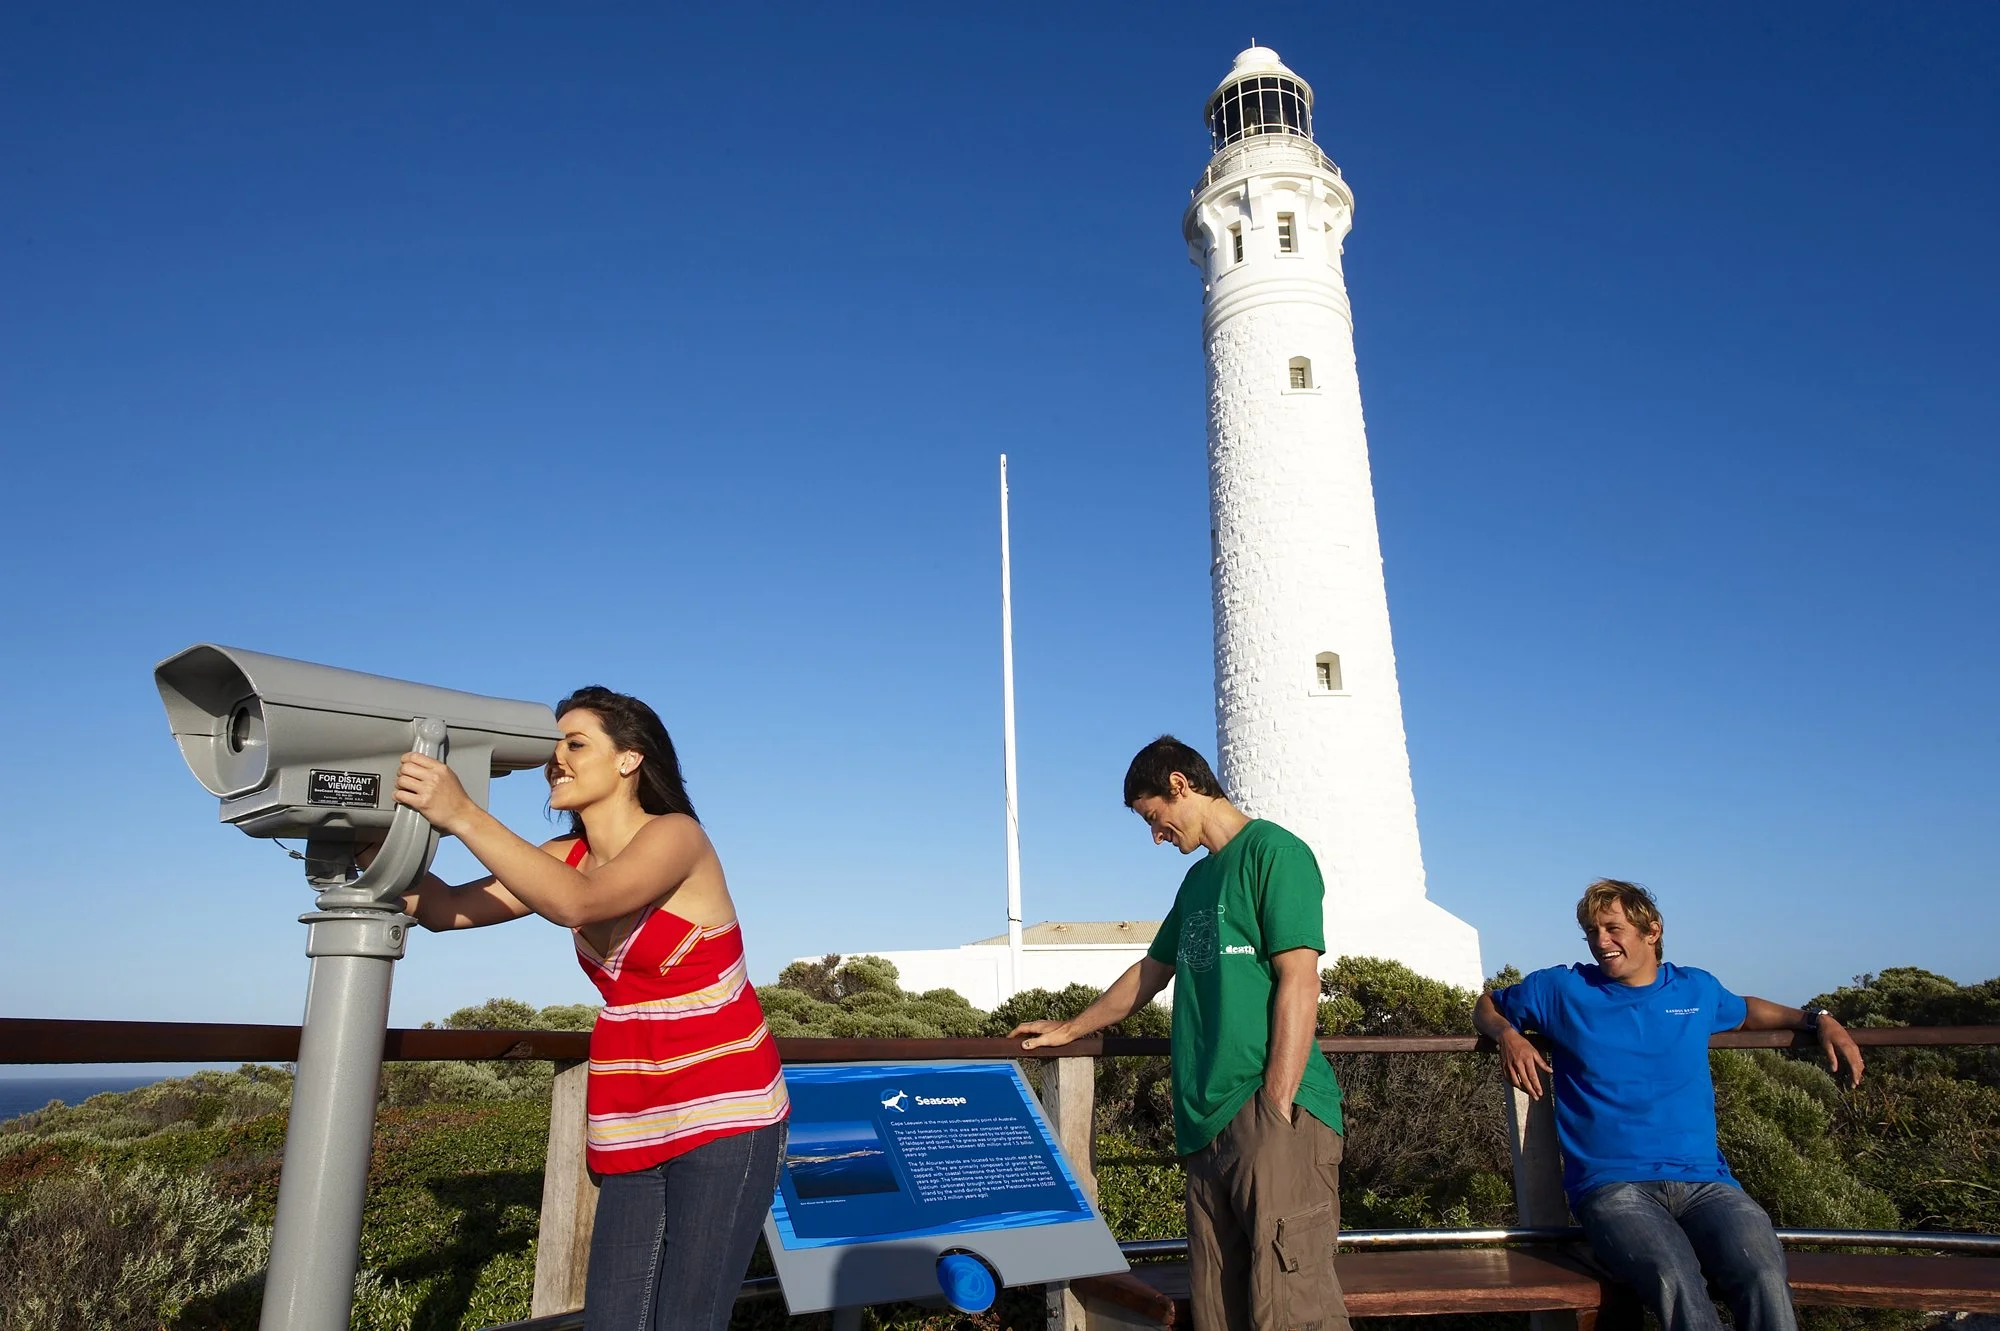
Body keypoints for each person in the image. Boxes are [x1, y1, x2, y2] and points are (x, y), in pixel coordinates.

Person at [393, 686, 789, 1331]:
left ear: (630, 760)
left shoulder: (677, 837)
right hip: (630, 1112)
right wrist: (356, 831)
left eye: (576, 745)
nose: (558, 761)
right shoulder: (562, 858)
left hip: (726, 1110)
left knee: (689, 1318)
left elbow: (580, 903)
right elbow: (441, 910)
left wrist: (462, 812)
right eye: (553, 750)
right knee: (614, 1317)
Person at [1011, 736, 1348, 1331]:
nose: (1156, 835)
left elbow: (1299, 980)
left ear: (1179, 785)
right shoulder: (1197, 884)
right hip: (1204, 1126)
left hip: (1271, 1114)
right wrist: (1071, 1028)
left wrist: (1275, 1103)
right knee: (1218, 1312)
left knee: (1292, 1310)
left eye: (1154, 818)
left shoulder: (1275, 853)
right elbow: (1150, 971)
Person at [1473, 879, 1865, 1331]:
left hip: (1705, 1182)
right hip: (1612, 1185)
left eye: (1612, 929)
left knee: (1762, 1270)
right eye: (1592, 932)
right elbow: (1486, 1005)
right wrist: (1507, 1035)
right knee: (1674, 1277)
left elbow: (1746, 1010)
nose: (1601, 942)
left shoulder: (1694, 989)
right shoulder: (1562, 988)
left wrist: (1820, 1021)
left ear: (1652, 931)